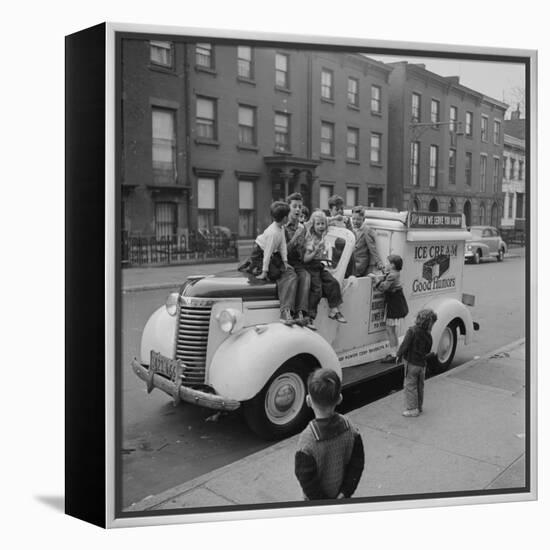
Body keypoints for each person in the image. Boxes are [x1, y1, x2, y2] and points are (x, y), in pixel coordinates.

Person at [294, 368, 365, 500]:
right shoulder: (351, 429)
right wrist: (344, 493)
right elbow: (357, 465)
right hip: (342, 497)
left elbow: (306, 480)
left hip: (317, 505)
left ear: (308, 401)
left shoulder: (307, 440)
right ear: (339, 399)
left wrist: (325, 503)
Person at [239, 201, 298, 325]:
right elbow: (266, 254)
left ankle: (256, 266)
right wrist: (265, 272)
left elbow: (282, 245)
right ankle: (252, 266)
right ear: (285, 218)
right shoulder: (272, 233)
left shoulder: (280, 228)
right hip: (259, 253)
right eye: (288, 215)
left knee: (281, 271)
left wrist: (285, 261)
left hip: (269, 253)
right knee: (275, 274)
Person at [304, 210, 347, 324]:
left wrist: (335, 218)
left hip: (319, 265)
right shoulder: (311, 239)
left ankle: (334, 309)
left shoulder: (322, 233)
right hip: (310, 266)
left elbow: (325, 220)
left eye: (322, 224)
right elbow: (305, 259)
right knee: (317, 289)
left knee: (332, 282)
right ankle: (310, 316)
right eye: (318, 224)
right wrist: (315, 251)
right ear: (313, 225)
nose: (321, 226)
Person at [397, 309, 438, 417]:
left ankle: (412, 409)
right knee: (420, 386)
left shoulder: (412, 331)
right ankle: (419, 406)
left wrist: (398, 355)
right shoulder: (428, 336)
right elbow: (428, 350)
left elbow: (404, 346)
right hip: (422, 365)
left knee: (410, 386)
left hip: (411, 363)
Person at [370, 254, 409, 362]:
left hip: (393, 304)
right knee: (392, 330)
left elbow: (383, 287)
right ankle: (395, 352)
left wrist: (375, 279)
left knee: (390, 330)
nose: (386, 264)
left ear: (392, 265)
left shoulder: (392, 275)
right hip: (396, 302)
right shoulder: (395, 273)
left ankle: (393, 354)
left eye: (388, 263)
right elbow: (388, 276)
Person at [285, 193, 314, 328]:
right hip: (284, 262)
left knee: (306, 276)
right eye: (294, 206)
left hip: (297, 262)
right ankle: (288, 312)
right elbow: (283, 251)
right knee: (292, 277)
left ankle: (301, 313)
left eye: (300, 207)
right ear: (288, 208)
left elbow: (305, 248)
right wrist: (295, 237)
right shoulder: (283, 226)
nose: (298, 210)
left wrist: (310, 247)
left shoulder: (303, 228)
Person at [350, 206, 383, 276]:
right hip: (352, 262)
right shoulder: (352, 229)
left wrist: (379, 263)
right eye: (353, 219)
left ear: (363, 219)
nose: (355, 222)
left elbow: (372, 248)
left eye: (358, 219)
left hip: (360, 264)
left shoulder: (367, 231)